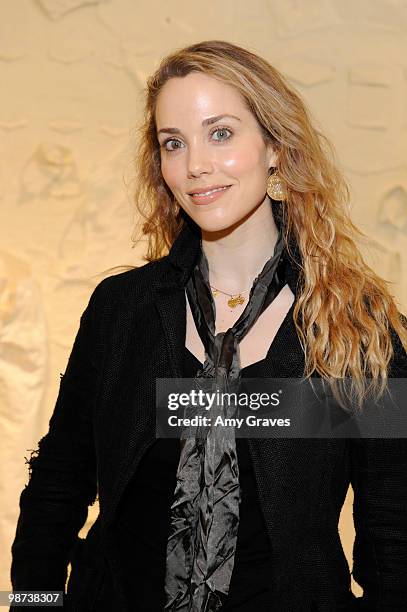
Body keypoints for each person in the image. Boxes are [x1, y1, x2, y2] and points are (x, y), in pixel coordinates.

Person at [10, 40, 407, 612]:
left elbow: (395, 536)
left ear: (274, 147)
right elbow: (58, 485)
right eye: (175, 143)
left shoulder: (357, 328)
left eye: (220, 133)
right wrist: (33, 606)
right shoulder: (122, 310)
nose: (195, 164)